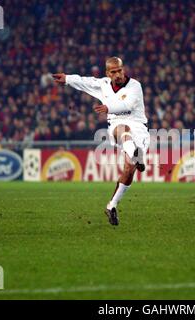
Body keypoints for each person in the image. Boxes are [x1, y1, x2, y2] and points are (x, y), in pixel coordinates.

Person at [52, 57, 149, 226]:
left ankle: (111, 206)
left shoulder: (135, 86)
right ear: (108, 73)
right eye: (113, 72)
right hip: (118, 126)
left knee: (129, 169)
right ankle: (135, 154)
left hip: (139, 127)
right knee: (122, 129)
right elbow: (85, 82)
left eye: (119, 70)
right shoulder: (103, 85)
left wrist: (108, 108)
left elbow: (128, 104)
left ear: (123, 69)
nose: (118, 74)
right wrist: (67, 79)